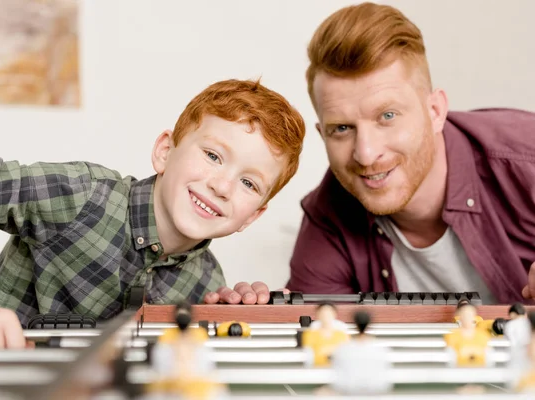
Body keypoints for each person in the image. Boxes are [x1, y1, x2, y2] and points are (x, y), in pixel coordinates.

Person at [205, 2, 535, 306]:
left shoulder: (525, 158)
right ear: (323, 135)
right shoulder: (328, 219)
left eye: (387, 117)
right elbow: (325, 353)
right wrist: (252, 317)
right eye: (342, 129)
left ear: (435, 111)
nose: (365, 153)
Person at [0, 79, 306, 349]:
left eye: (249, 184)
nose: (222, 186)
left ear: (251, 217)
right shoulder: (80, 194)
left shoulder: (207, 285)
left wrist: (226, 329)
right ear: (165, 151)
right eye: (212, 156)